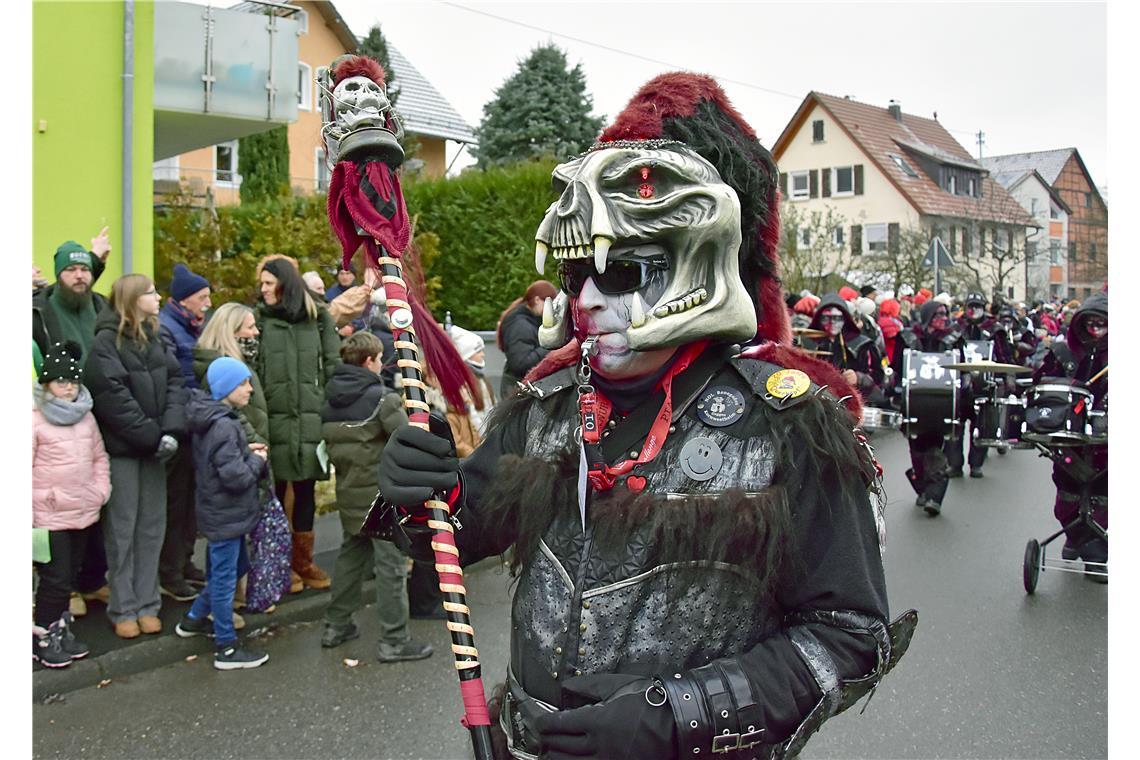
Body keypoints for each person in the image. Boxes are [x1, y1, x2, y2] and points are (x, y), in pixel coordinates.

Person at [377, 73, 911, 759]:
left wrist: (678, 716)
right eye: (577, 277)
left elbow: (849, 637)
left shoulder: (788, 423)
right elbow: (452, 544)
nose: (588, 302)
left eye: (622, 272)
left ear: (695, 261)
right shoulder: (545, 406)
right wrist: (422, 496)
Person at [318, 332, 434, 661]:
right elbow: (408, 442)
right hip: (382, 497)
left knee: (350, 559)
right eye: (380, 358)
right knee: (392, 566)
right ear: (369, 361)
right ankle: (394, 640)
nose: (382, 364)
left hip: (349, 493)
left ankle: (335, 625)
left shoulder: (329, 401)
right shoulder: (383, 399)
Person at [84, 274, 187, 638]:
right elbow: (112, 399)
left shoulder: (155, 338)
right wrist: (152, 436)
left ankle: (148, 604)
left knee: (151, 529)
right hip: (126, 454)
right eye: (150, 293)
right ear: (131, 299)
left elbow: (176, 383)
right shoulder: (104, 344)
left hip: (156, 450)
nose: (158, 298)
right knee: (122, 532)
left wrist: (171, 430)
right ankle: (123, 607)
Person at [31, 233, 115, 617]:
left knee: (95, 506)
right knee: (60, 514)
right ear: (57, 274)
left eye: (85, 268)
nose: (79, 276)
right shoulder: (39, 308)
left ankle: (93, 580)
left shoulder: (98, 305)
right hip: (54, 417)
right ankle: (63, 591)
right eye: (71, 269)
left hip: (97, 417)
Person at [175, 357, 272, 668]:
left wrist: (246, 454)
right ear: (226, 388)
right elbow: (236, 478)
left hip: (219, 512)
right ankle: (226, 647)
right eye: (243, 383)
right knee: (225, 578)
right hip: (225, 514)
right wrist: (257, 461)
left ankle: (192, 620)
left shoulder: (213, 420)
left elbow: (223, 463)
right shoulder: (225, 426)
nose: (250, 389)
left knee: (232, 567)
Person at [255, 255, 340, 592]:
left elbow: (333, 365)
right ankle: (278, 565)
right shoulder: (257, 319)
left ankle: (303, 562)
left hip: (309, 418)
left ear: (285, 283)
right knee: (274, 492)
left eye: (267, 283)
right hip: (272, 419)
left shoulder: (318, 317)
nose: (262, 290)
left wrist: (328, 408)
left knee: (305, 490)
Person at [32, 341, 111, 667]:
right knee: (55, 577)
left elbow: (99, 457)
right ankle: (41, 636)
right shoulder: (32, 419)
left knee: (70, 576)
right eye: (61, 381)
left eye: (73, 381)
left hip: (83, 509)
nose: (68, 387)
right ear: (47, 384)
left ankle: (60, 628)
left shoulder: (85, 416)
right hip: (47, 514)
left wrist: (99, 492)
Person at [193, 302, 269, 616]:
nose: (255, 332)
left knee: (234, 555)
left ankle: (202, 614)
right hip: (239, 469)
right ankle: (221, 620)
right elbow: (235, 425)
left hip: (247, 458)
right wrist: (255, 455)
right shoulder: (225, 373)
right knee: (225, 557)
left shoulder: (241, 364)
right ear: (231, 330)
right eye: (249, 327)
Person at [1032, 293, 1107, 580]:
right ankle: (1077, 535)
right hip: (1068, 435)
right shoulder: (1064, 352)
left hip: (1105, 438)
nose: (1096, 330)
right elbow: (1040, 382)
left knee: (1103, 492)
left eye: (1103, 324)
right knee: (1067, 489)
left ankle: (1094, 549)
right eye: (1091, 323)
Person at [157, 263, 212, 602]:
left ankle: (185, 561)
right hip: (181, 424)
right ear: (185, 299)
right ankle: (170, 571)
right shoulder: (168, 330)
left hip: (196, 423)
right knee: (176, 502)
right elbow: (176, 379)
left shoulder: (192, 326)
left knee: (192, 500)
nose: (208, 302)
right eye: (203, 297)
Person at [899, 299, 964, 516]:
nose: (944, 319)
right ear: (928, 317)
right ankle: (924, 489)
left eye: (945, 314)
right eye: (938, 315)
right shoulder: (908, 338)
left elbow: (961, 371)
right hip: (914, 402)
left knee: (934, 448)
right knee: (916, 450)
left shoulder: (953, 339)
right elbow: (897, 367)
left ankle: (935, 496)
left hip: (940, 402)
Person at [803, 294, 886, 407]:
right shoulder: (806, 343)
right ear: (819, 318)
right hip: (813, 406)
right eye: (826, 318)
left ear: (845, 319)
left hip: (850, 407)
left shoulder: (862, 345)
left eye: (837, 318)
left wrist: (860, 378)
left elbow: (880, 377)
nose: (832, 323)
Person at [944, 291, 991, 479]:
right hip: (959, 384)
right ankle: (954, 464)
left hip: (984, 384)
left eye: (977, 307)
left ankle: (976, 464)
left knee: (980, 426)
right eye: (970, 306)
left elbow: (1004, 354)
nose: (974, 311)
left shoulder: (994, 328)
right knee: (955, 426)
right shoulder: (955, 328)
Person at [496, 280, 559, 397]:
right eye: (549, 304)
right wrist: (550, 347)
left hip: (517, 388)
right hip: (517, 391)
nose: (551, 309)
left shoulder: (526, 320)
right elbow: (520, 363)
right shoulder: (521, 325)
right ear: (537, 300)